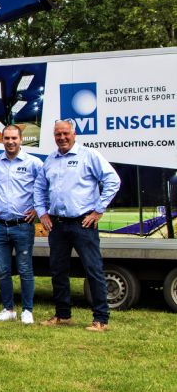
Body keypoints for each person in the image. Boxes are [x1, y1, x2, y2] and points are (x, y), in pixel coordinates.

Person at [34, 119, 121, 332]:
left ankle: (101, 319)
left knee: (93, 270)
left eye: (65, 133)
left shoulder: (89, 156)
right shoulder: (50, 160)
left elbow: (113, 180)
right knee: (58, 271)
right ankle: (63, 315)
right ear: (53, 136)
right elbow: (38, 187)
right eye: (57, 134)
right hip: (58, 225)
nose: (62, 138)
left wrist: (98, 210)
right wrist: (42, 213)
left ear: (74, 134)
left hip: (83, 223)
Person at [0, 124, 43, 325]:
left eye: (14, 138)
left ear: (21, 140)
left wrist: (39, 210)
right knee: (3, 270)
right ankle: (8, 309)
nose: (11, 142)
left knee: (25, 269)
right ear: (2, 140)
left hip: (23, 225)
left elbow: (46, 186)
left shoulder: (33, 163)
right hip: (0, 226)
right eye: (7, 138)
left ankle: (27, 311)